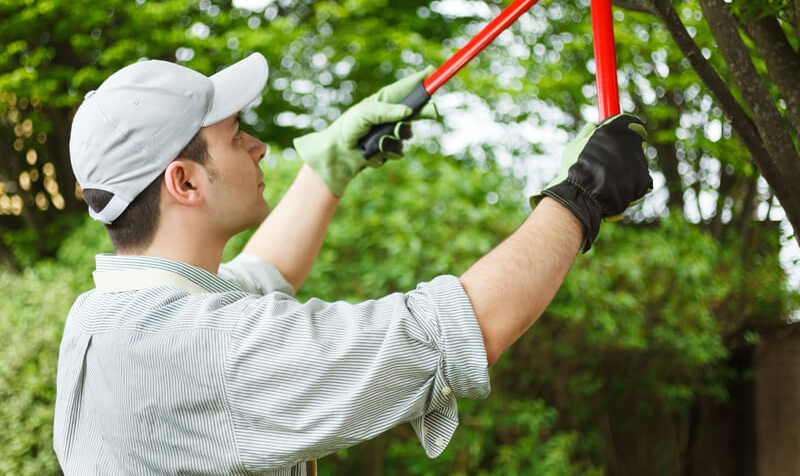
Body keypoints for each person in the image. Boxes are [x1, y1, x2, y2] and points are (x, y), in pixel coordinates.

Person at [54, 52, 652, 475]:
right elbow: (454, 331)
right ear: (184, 181)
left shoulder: (106, 320)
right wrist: (581, 197)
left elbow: (263, 277)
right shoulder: (208, 346)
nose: (257, 146)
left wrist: (333, 161)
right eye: (236, 135)